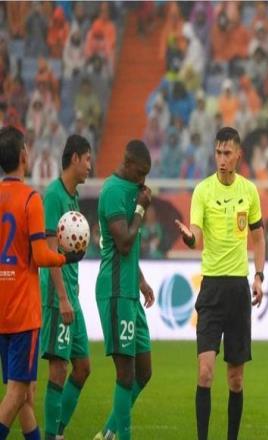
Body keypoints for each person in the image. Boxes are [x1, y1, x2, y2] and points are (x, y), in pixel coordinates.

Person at [175, 127, 265, 440]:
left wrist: (259, 275)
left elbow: (259, 238)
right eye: (218, 153)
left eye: (227, 153)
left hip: (239, 290)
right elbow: (196, 236)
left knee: (236, 379)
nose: (222, 159)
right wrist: (189, 238)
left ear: (238, 155)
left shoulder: (249, 191)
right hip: (211, 289)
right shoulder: (202, 191)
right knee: (205, 372)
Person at [0, 126, 84, 440]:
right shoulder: (31, 199)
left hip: (2, 305)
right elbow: (40, 255)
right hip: (23, 310)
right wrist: (65, 257)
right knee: (18, 392)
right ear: (24, 156)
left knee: (22, 392)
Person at [93, 140, 155, 440]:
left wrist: (140, 280)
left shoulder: (132, 188)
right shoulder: (113, 191)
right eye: (140, 173)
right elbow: (124, 242)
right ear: (127, 163)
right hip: (115, 290)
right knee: (125, 373)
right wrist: (141, 208)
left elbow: (129, 248)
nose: (142, 180)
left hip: (130, 290)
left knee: (144, 371)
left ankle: (107, 433)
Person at [38, 135, 92, 440]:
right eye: (87, 159)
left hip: (71, 294)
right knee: (58, 369)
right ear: (74, 158)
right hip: (58, 297)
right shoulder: (54, 196)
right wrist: (61, 297)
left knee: (82, 367)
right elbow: (49, 252)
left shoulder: (72, 198)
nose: (90, 166)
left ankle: (57, 432)